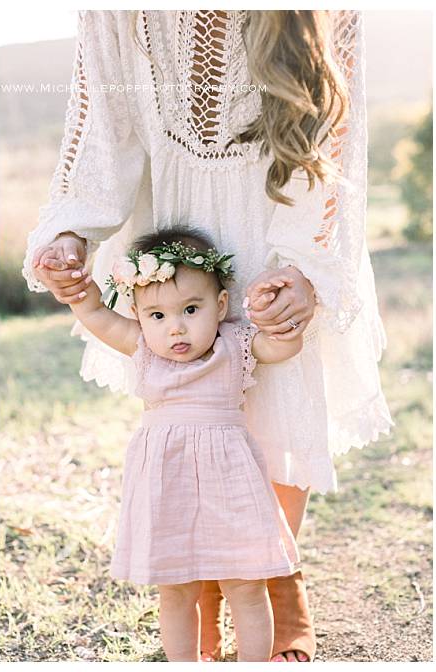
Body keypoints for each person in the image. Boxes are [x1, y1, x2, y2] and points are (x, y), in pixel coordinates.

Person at [24, 10, 391, 662]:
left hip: (279, 214)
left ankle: (275, 578)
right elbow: (103, 121)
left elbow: (335, 131)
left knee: (276, 404)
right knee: (201, 410)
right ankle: (210, 583)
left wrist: (307, 263)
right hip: (175, 227)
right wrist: (70, 230)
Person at [68, 225, 301, 661]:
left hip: (229, 480)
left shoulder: (236, 343)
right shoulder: (143, 349)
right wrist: (75, 287)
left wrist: (282, 320)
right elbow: (96, 314)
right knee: (175, 589)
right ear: (139, 316)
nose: (176, 328)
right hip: (167, 482)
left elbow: (281, 346)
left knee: (246, 584)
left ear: (221, 305)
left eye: (191, 309)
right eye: (157, 315)